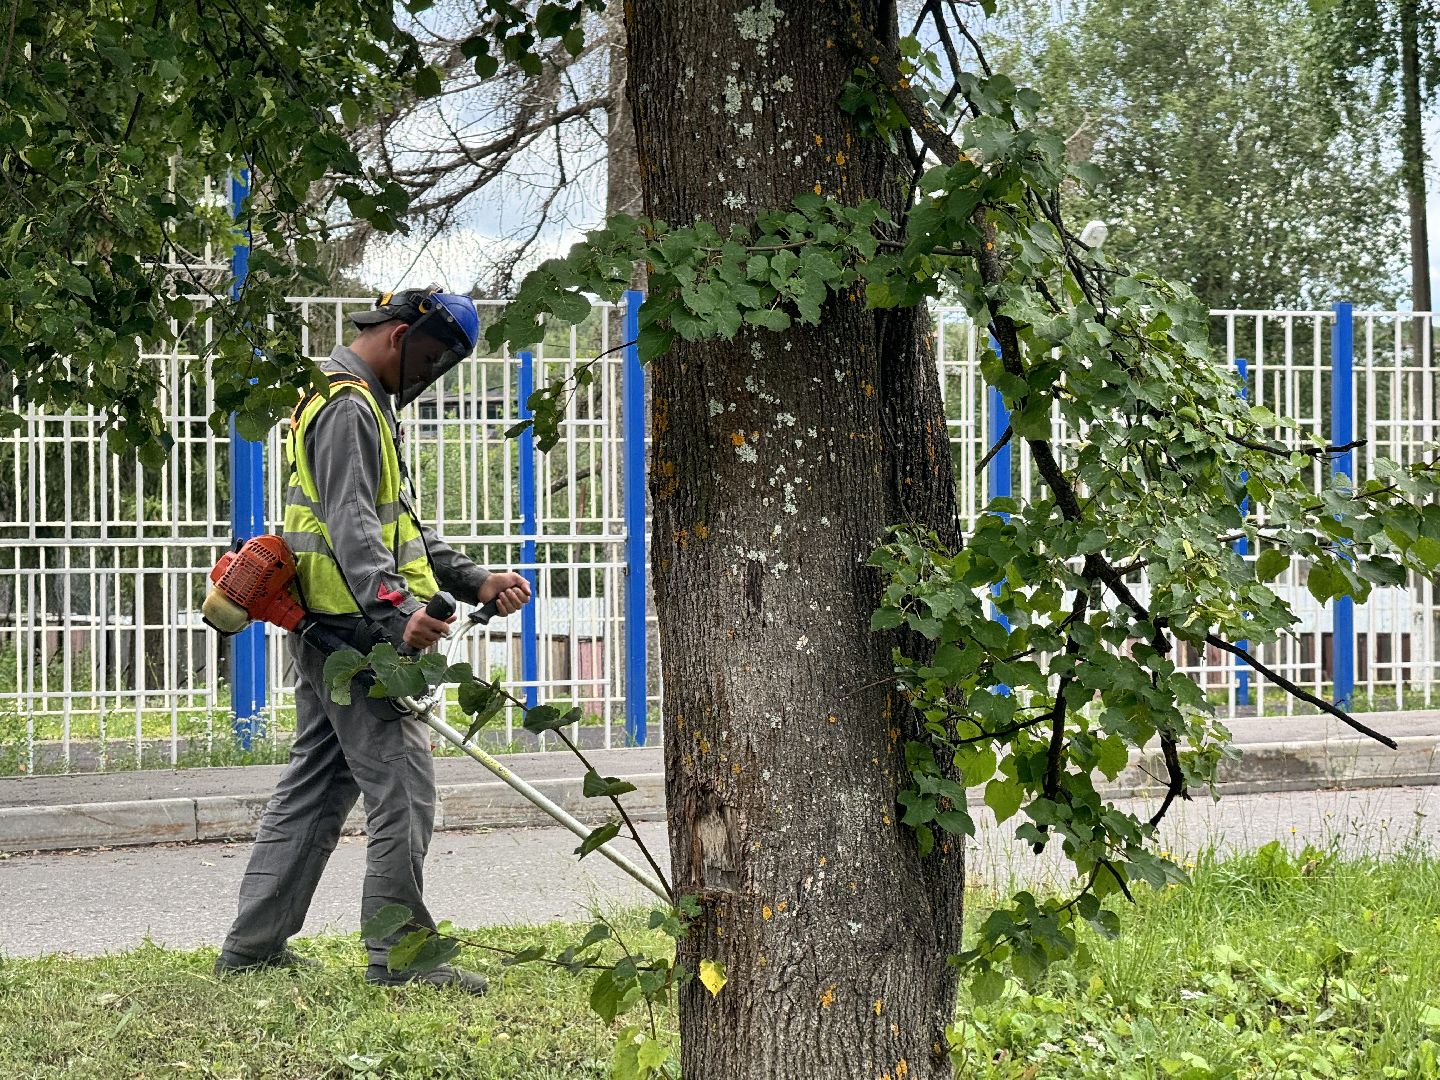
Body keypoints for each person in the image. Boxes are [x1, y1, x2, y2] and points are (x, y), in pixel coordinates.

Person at [214, 287, 532, 994]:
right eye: (433, 359)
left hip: (329, 628)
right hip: (358, 641)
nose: (431, 375)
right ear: (399, 334)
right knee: (406, 794)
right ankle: (400, 958)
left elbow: (399, 525)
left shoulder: (345, 398)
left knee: (316, 789)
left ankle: (252, 948)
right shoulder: (351, 407)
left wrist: (474, 579)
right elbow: (355, 531)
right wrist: (397, 622)